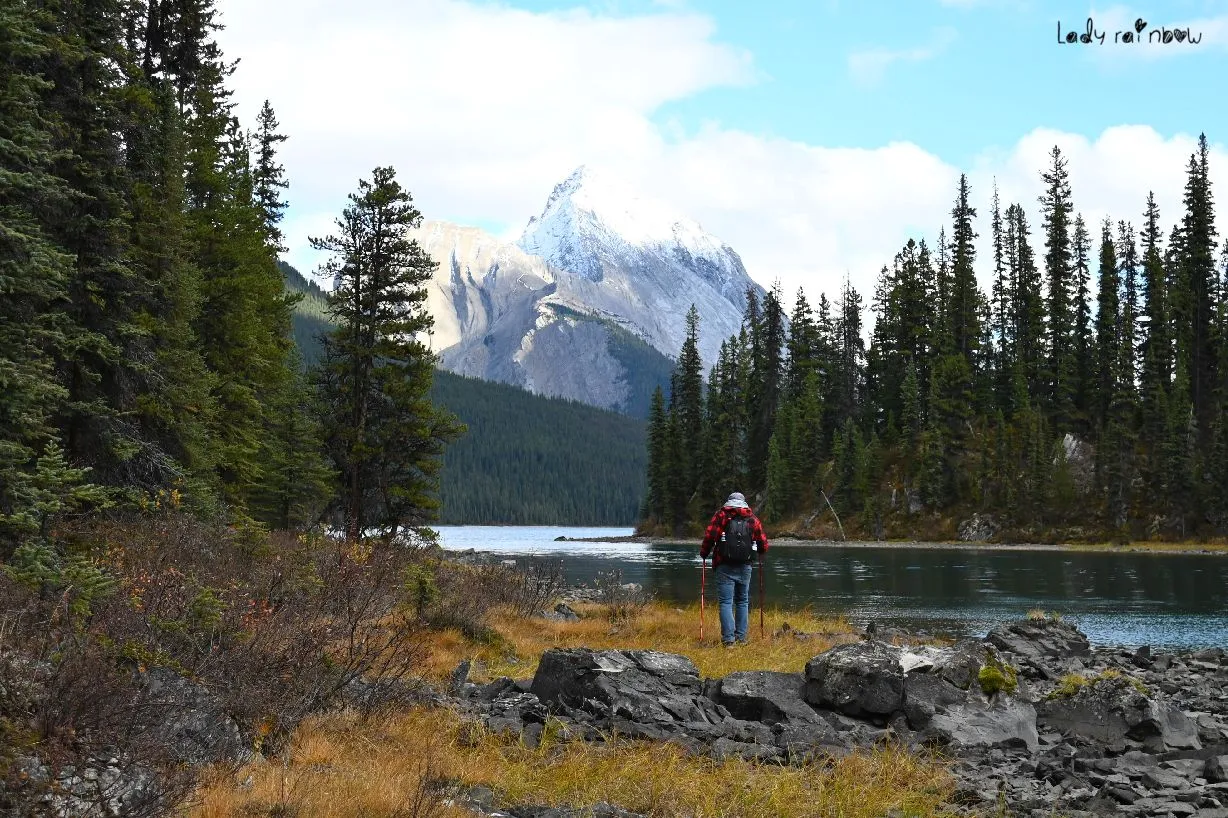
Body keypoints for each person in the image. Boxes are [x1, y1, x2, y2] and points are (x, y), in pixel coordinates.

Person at [699, 492, 769, 646]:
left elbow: (710, 536)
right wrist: (761, 552)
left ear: (729, 501)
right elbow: (763, 544)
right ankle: (741, 638)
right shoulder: (752, 519)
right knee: (742, 601)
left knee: (726, 602)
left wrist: (704, 553)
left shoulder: (721, 515)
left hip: (723, 564)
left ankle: (729, 641)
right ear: (744, 502)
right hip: (745, 566)